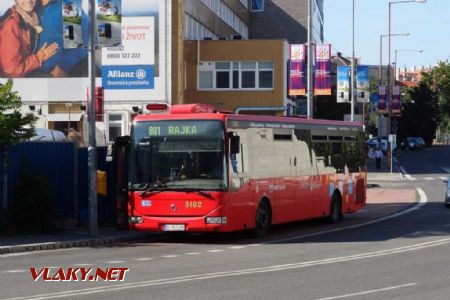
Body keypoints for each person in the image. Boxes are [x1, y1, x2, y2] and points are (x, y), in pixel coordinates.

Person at [0, 0, 58, 77]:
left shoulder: (69, 4)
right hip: (31, 75)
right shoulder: (12, 24)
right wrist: (39, 57)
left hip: (54, 72)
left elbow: (75, 43)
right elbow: (12, 71)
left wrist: (64, 66)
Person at [37, 0, 88, 77]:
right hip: (34, 72)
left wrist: (64, 66)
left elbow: (86, 38)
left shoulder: (68, 4)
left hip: (62, 73)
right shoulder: (30, 4)